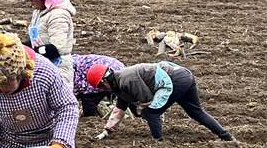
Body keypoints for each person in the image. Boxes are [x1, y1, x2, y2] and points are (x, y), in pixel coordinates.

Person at [86, 60, 237, 142]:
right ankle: (226, 136)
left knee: (150, 112)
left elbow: (146, 100)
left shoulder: (127, 79)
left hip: (175, 80)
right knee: (196, 112)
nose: (103, 90)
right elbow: (120, 108)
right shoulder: (118, 83)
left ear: (104, 80)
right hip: (184, 76)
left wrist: (142, 111)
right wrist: (106, 131)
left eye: (101, 86)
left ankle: (158, 141)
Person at [15, 0, 77, 88]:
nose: (30, 0)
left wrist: (31, 53)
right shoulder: (38, 12)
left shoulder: (58, 15)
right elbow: (36, 39)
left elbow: (56, 49)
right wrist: (19, 46)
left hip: (57, 68)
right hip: (41, 63)